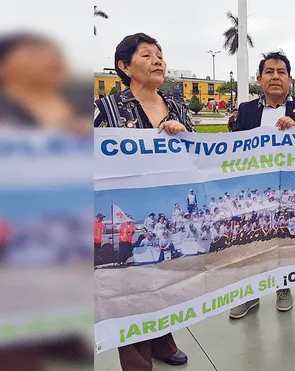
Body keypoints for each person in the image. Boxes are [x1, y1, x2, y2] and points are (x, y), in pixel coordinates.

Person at [94, 33, 190, 370]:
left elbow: (196, 157)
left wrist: (183, 136)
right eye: (147, 55)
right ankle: (136, 361)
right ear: (124, 66)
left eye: (160, 54)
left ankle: (163, 342)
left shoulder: (176, 105)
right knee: (131, 286)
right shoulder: (106, 109)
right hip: (128, 211)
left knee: (164, 278)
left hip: (167, 206)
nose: (158, 60)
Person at [229, 51, 295, 319]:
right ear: (260, 79)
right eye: (269, 71)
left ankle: (283, 287)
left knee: (284, 242)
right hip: (255, 192)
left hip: (290, 191)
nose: (276, 76)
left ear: (290, 79)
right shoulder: (246, 111)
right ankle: (250, 294)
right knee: (253, 243)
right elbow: (231, 150)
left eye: (281, 72)